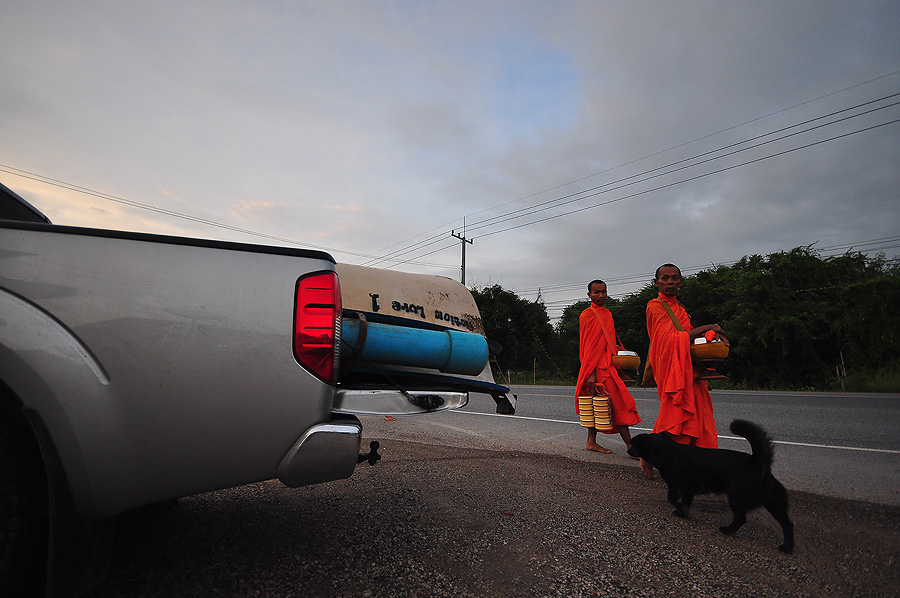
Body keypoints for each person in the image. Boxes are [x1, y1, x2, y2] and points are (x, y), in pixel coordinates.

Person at [646, 264, 728, 457]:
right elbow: (670, 340)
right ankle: (648, 454)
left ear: (681, 282)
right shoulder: (655, 306)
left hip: (689, 367)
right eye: (665, 278)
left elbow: (686, 336)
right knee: (674, 415)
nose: (670, 282)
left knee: (698, 415)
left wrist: (711, 334)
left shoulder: (680, 308)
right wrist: (709, 326)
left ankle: (698, 460)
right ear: (656, 282)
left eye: (674, 278)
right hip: (670, 368)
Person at [575, 279, 642, 455]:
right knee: (617, 405)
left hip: (608, 365)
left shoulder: (608, 314)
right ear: (589, 295)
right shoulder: (587, 315)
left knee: (599, 405)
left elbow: (607, 342)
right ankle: (631, 447)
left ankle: (591, 441)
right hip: (597, 369)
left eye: (604, 291)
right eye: (597, 292)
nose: (601, 295)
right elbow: (588, 347)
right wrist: (591, 373)